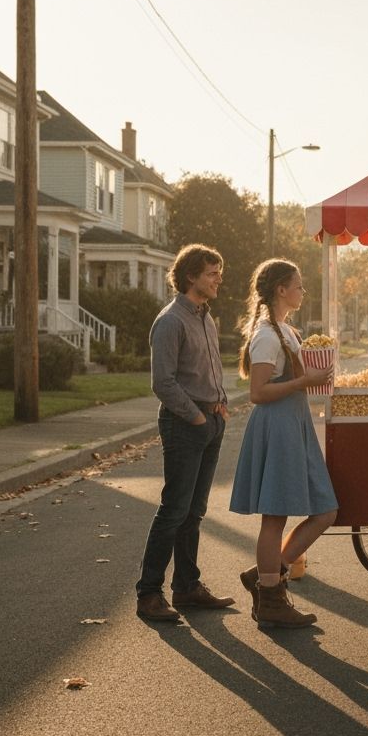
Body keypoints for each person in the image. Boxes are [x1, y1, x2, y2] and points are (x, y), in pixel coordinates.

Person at [230, 259, 338, 628]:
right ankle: (271, 600)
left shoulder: (288, 331)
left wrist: (315, 377)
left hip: (295, 424)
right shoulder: (266, 335)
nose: (302, 292)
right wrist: (303, 382)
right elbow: (257, 393)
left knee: (325, 511)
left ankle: (267, 576)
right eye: (298, 285)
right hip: (277, 426)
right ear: (281, 290)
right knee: (275, 516)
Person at [136, 244, 236, 622]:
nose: (218, 279)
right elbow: (162, 382)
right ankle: (149, 594)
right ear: (191, 276)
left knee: (194, 511)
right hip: (184, 424)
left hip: (211, 422)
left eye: (218, 272)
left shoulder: (206, 318)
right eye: (212, 272)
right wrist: (196, 417)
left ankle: (187, 587)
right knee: (174, 510)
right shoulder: (170, 321)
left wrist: (220, 404)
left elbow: (210, 370)